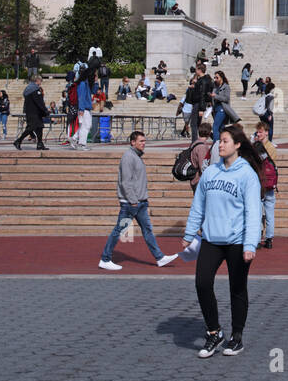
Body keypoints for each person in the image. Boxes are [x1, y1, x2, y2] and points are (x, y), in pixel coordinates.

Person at [181, 123, 263, 358]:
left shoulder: (247, 174)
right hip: (211, 239)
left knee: (237, 288)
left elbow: (253, 212)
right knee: (202, 283)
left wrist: (250, 245)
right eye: (219, 140)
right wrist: (189, 234)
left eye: (226, 140)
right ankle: (214, 332)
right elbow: (199, 206)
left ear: (237, 145)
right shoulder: (211, 172)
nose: (221, 144)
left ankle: (236, 337)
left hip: (237, 241)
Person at [99, 131, 179, 271]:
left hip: (140, 203)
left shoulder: (136, 156)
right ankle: (105, 259)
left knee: (147, 230)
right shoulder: (128, 157)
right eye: (141, 141)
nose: (144, 143)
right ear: (133, 142)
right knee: (119, 231)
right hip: (130, 204)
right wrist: (133, 201)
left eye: (144, 141)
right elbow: (126, 182)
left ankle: (159, 257)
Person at [252, 121, 278, 250]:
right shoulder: (272, 148)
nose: (259, 134)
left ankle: (257, 239)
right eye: (258, 132)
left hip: (259, 184)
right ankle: (269, 239)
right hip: (269, 184)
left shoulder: (256, 147)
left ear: (267, 132)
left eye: (261, 132)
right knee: (270, 213)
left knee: (257, 213)